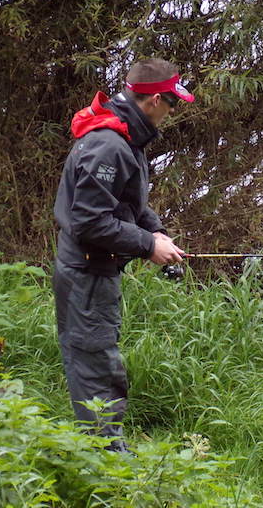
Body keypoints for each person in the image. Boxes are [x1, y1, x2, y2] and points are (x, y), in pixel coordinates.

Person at [52, 58, 193, 452]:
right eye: (172, 103)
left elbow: (126, 203)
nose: (172, 111)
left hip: (93, 268)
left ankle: (102, 450)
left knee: (97, 361)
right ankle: (107, 460)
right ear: (154, 100)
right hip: (86, 273)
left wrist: (155, 231)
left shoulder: (126, 134)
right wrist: (148, 246)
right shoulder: (110, 145)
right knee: (96, 366)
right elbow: (89, 222)